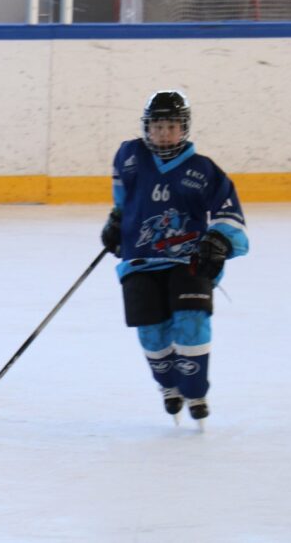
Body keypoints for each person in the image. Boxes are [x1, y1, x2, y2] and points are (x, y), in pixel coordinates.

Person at [100, 90, 248, 425]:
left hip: (188, 259)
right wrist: (117, 221)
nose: (164, 133)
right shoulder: (129, 156)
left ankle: (195, 390)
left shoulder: (203, 169)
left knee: (191, 320)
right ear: (146, 127)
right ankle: (168, 385)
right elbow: (123, 200)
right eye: (157, 126)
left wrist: (218, 240)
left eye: (171, 126)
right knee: (151, 331)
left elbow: (229, 213)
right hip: (140, 260)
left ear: (184, 128)